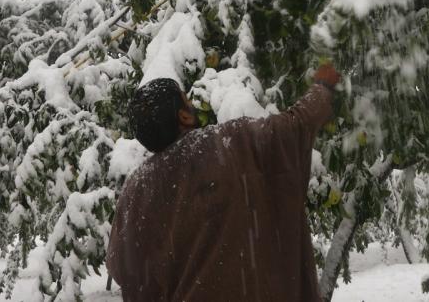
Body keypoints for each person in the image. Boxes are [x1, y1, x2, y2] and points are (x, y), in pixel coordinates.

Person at [106, 63, 340, 301]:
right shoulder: (229, 142)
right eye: (186, 100)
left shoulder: (136, 190)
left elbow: (123, 268)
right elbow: (294, 125)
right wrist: (322, 86)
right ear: (184, 116)